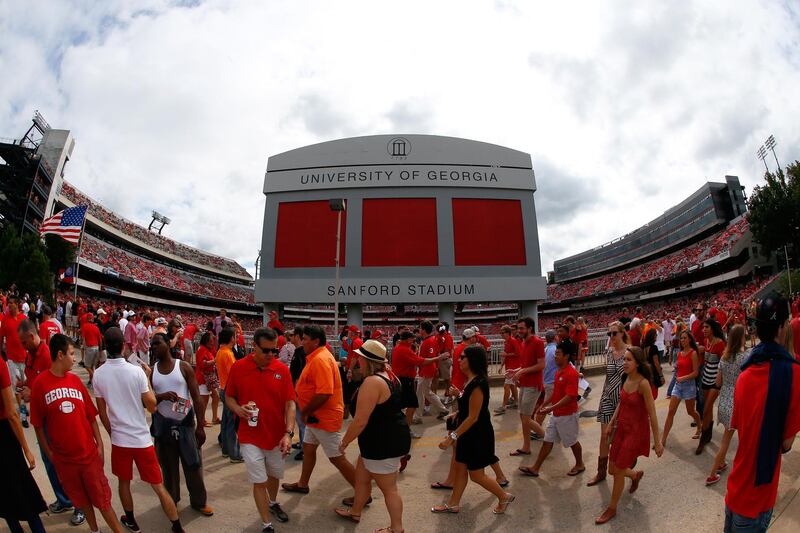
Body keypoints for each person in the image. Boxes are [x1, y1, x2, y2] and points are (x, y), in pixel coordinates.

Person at [93, 327, 185, 533]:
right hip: (141, 438)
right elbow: (152, 406)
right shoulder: (136, 372)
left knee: (123, 482)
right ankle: (177, 526)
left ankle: (132, 522)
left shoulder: (98, 375)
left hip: (120, 439)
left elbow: (102, 412)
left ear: (105, 347)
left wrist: (112, 433)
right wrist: (149, 378)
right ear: (124, 346)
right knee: (158, 486)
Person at [30, 334, 124, 533]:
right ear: (60, 354)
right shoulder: (40, 384)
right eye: (71, 354)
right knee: (82, 501)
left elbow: (91, 417)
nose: (74, 358)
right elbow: (38, 426)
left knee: (103, 501)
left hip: (88, 456)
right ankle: (94, 530)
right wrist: (50, 455)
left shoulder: (75, 381)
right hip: (65, 462)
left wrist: (99, 446)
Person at [724, 293, 800, 531]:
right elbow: (786, 444)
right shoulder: (793, 375)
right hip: (758, 499)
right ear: (782, 328)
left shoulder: (744, 374)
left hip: (735, 491)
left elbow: (742, 428)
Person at [335, 340, 411, 532]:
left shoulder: (372, 382)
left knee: (389, 489)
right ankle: (355, 511)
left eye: (360, 357)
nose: (357, 360)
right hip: (384, 438)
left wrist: (344, 442)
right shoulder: (391, 375)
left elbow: (360, 420)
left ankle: (397, 528)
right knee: (361, 477)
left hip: (382, 442)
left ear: (367, 360)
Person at [225, 328, 295, 533]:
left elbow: (291, 404)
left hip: (275, 436)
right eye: (266, 350)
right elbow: (229, 397)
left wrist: (288, 433)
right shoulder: (238, 367)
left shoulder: (282, 370)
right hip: (249, 436)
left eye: (275, 350)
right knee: (259, 481)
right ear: (253, 346)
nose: (271, 355)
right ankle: (266, 525)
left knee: (274, 475)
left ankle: (272, 503)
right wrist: (238, 409)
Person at [432, 345, 515, 515]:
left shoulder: (478, 383)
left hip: (477, 434)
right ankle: (453, 504)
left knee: (476, 475)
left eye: (462, 357)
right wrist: (458, 407)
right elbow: (469, 407)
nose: (459, 360)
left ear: (472, 360)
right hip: (468, 433)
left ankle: (503, 496)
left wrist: (452, 437)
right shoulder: (469, 380)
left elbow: (474, 416)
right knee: (460, 469)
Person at [282, 325, 357, 499]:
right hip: (315, 418)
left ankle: (362, 492)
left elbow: (324, 392)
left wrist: (306, 411)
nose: (303, 342)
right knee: (308, 449)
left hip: (322, 418)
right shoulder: (317, 356)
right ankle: (303, 484)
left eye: (305, 339)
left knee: (337, 457)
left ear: (316, 341)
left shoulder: (320, 359)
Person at [595, 347, 664, 524]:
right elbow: (621, 402)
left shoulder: (643, 384)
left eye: (628, 360)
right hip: (621, 429)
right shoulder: (625, 378)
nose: (624, 363)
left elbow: (652, 414)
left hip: (635, 432)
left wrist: (658, 442)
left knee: (617, 471)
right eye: (624, 359)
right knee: (612, 469)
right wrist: (611, 423)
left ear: (638, 363)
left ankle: (612, 508)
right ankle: (634, 475)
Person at [149, 332, 213, 516]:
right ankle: (172, 500)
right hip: (164, 427)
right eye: (152, 344)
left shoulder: (183, 367)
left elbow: (196, 398)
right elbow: (148, 400)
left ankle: (199, 502)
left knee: (193, 464)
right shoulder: (152, 371)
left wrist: (200, 425)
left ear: (168, 344)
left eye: (157, 343)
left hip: (185, 424)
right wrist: (161, 397)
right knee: (168, 468)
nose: (153, 347)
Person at [518, 342, 585, 478]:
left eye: (558, 354)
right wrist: (544, 404)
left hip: (567, 415)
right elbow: (556, 392)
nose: (555, 357)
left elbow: (570, 396)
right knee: (548, 440)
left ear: (566, 356)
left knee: (572, 442)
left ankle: (580, 464)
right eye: (555, 354)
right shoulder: (558, 371)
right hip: (557, 414)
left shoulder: (571, 374)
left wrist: (551, 408)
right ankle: (535, 468)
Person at [0, 343, 47, 533]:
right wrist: (26, 448)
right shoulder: (1, 365)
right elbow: (11, 412)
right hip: (4, 434)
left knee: (3, 489)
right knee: (23, 488)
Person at [587, 321, 629, 486]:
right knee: (604, 436)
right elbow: (608, 376)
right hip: (607, 397)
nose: (611, 337)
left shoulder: (629, 352)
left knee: (619, 436)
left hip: (622, 399)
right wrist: (604, 394)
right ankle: (601, 472)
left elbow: (631, 379)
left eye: (614, 333)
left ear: (622, 333)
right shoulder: (610, 352)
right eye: (609, 334)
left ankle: (624, 464)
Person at [706, 324, 748, 486]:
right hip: (737, 403)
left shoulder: (724, 357)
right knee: (729, 442)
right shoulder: (744, 357)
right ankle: (712, 474)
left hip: (724, 401)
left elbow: (718, 382)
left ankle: (721, 464)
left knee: (726, 437)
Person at [391, 330, 447, 438]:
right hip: (405, 380)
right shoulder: (404, 349)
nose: (414, 340)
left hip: (402, 379)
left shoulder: (399, 348)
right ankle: (406, 430)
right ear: (408, 340)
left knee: (404, 405)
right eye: (412, 339)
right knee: (412, 404)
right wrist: (438, 358)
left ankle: (401, 428)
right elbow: (421, 361)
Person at [509, 316, 546, 456]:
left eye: (522, 328)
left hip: (533, 385)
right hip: (525, 384)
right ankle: (526, 446)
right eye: (518, 328)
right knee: (523, 417)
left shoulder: (537, 342)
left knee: (526, 418)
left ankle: (548, 437)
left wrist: (522, 371)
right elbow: (526, 365)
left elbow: (542, 365)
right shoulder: (523, 342)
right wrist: (517, 370)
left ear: (530, 328)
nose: (519, 331)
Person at [661, 331, 703, 446]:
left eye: (684, 338)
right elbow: (678, 371)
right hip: (678, 386)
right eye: (681, 339)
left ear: (690, 339)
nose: (682, 340)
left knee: (691, 411)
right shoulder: (679, 353)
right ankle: (663, 439)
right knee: (671, 411)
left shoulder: (693, 353)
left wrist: (683, 377)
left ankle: (700, 426)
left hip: (689, 386)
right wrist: (677, 379)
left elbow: (695, 373)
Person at [696, 318, 727, 454]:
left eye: (706, 327)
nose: (704, 330)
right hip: (705, 379)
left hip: (715, 382)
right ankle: (708, 435)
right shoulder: (705, 341)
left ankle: (703, 437)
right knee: (707, 409)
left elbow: (724, 363)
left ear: (712, 329)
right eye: (703, 327)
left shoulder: (720, 344)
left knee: (706, 408)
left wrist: (722, 382)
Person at [216, 327, 243, 463]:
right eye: (235, 335)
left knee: (226, 422)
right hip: (229, 390)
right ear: (231, 338)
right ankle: (234, 454)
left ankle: (226, 450)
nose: (236, 337)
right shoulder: (227, 353)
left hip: (223, 388)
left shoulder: (221, 351)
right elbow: (235, 373)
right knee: (231, 423)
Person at [414, 321, 449, 423]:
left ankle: (418, 417)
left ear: (424, 330)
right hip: (428, 369)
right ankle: (442, 409)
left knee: (420, 394)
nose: (419, 330)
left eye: (420, 328)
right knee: (427, 392)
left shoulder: (427, 341)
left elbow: (429, 358)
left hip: (426, 369)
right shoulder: (431, 339)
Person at [0, 298, 28, 427]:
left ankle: (23, 406)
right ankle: (22, 413)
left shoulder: (23, 318)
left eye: (12, 303)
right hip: (11, 359)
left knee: (25, 385)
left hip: (24, 357)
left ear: (17, 305)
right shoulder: (5, 320)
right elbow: (1, 338)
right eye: (8, 303)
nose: (9, 305)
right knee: (17, 386)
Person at [287, 327, 307, 461]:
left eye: (293, 335)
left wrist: (296, 394)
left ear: (298, 336)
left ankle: (305, 450)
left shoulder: (301, 353)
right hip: (297, 391)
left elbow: (299, 376)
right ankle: (301, 444)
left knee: (302, 423)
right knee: (300, 423)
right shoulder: (298, 352)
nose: (290, 337)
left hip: (299, 393)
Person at [195, 332, 221, 427]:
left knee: (216, 396)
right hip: (203, 379)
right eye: (210, 341)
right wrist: (214, 361)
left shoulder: (206, 349)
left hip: (208, 379)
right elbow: (202, 364)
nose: (212, 342)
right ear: (205, 341)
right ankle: (202, 421)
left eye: (213, 341)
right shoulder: (202, 349)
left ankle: (214, 418)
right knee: (204, 401)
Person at [494, 325, 521, 415]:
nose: (501, 334)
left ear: (507, 333)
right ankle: (516, 402)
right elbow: (506, 354)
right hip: (510, 367)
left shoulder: (513, 341)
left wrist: (506, 355)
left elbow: (518, 353)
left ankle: (503, 406)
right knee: (512, 386)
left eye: (502, 333)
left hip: (513, 367)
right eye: (500, 333)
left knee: (506, 386)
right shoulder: (507, 342)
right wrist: (501, 366)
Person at [80, 313, 105, 387]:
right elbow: (100, 340)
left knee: (87, 366)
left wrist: (83, 347)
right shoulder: (96, 327)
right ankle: (91, 382)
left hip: (89, 348)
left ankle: (95, 379)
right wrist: (100, 350)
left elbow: (83, 338)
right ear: (92, 319)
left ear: (87, 319)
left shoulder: (85, 326)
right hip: (97, 348)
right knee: (92, 367)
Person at [641, 328, 664, 397]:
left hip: (645, 372)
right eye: (656, 335)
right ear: (653, 336)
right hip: (653, 373)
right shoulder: (654, 348)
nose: (656, 336)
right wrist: (661, 375)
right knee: (653, 394)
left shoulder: (643, 347)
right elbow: (656, 363)